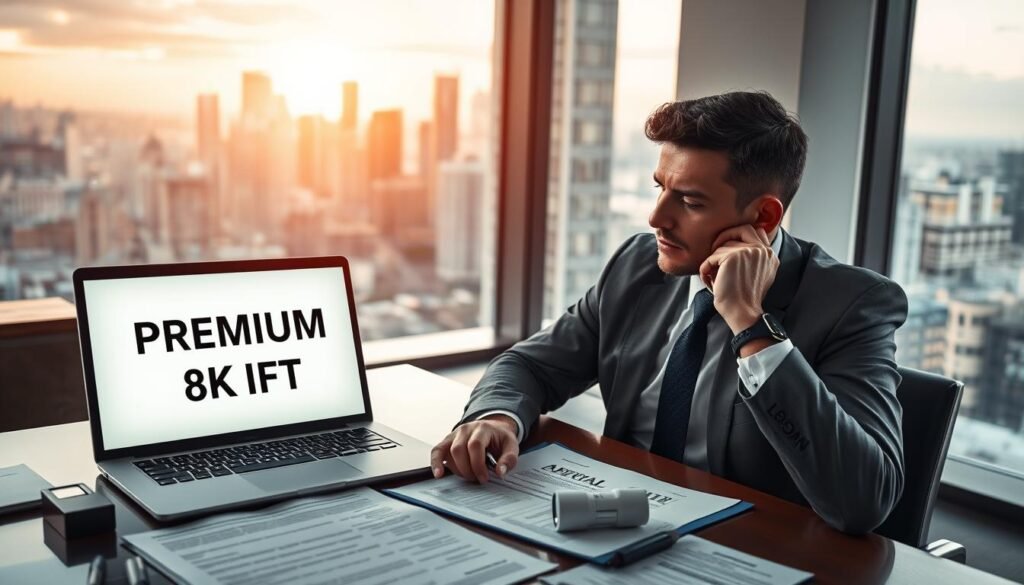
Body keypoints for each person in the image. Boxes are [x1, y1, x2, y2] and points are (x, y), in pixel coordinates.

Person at [430, 90, 907, 534]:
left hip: (746, 547)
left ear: (764, 217)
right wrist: (497, 418)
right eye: (660, 187)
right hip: (613, 525)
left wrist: (750, 323)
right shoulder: (638, 264)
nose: (657, 216)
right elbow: (531, 364)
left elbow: (863, 500)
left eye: (690, 201)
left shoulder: (852, 305)